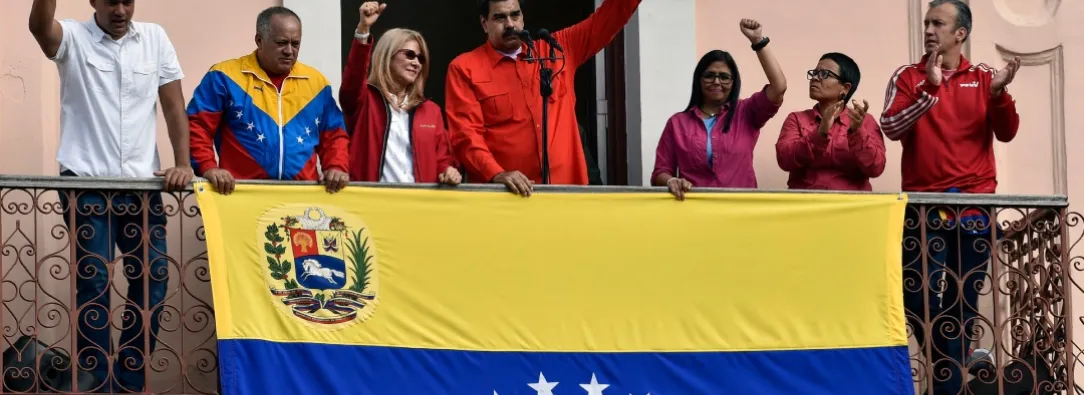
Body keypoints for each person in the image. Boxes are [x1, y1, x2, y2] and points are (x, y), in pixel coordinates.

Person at [28, 0, 193, 392]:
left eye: (128, 1)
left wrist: (183, 163)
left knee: (153, 279)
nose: (120, 9)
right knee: (95, 282)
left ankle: (129, 379)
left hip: (141, 187)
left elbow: (173, 107)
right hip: (85, 185)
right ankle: (96, 381)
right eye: (111, 1)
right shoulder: (73, 37)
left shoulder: (155, 38)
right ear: (93, 2)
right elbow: (39, 26)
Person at [879, 0, 1021, 393]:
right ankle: (953, 364)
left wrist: (998, 95)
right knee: (915, 296)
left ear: (960, 33)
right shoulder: (908, 75)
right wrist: (929, 88)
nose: (928, 30)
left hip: (975, 207)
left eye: (937, 23)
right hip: (923, 208)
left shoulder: (985, 76)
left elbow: (1007, 132)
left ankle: (947, 380)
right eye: (926, 22)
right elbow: (889, 126)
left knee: (964, 297)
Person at [445, 0, 642, 196]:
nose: (510, 24)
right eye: (499, 17)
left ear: (522, 17)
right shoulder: (465, 68)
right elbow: (466, 136)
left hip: (567, 193)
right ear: (484, 23)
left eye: (515, 15)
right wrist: (497, 173)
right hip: (507, 197)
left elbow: (607, 19)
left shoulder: (556, 49)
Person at [187, 6, 350, 195]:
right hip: (240, 195)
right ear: (259, 40)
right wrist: (208, 167)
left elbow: (334, 134)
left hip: (302, 196)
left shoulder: (317, 83)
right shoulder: (224, 77)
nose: (289, 51)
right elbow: (197, 125)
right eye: (281, 43)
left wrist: (336, 166)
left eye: (295, 44)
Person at [651, 19, 786, 200]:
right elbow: (661, 171)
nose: (716, 82)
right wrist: (671, 181)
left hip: (741, 210)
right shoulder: (677, 123)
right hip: (693, 210)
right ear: (699, 79)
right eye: (709, 76)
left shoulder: (746, 113)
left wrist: (758, 41)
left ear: (733, 82)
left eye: (724, 77)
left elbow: (778, 87)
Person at [341, 2, 461, 185]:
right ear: (387, 55)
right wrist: (363, 30)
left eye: (421, 58)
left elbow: (442, 158)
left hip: (418, 206)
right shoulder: (364, 100)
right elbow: (353, 77)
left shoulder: (431, 111)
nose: (417, 63)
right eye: (409, 55)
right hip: (371, 205)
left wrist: (448, 170)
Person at [775, 52, 885, 191]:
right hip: (805, 206)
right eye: (814, 73)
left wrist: (857, 132)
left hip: (852, 207)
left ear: (845, 88)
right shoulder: (796, 119)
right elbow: (785, 160)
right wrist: (820, 133)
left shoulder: (864, 120)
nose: (814, 78)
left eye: (823, 74)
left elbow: (875, 168)